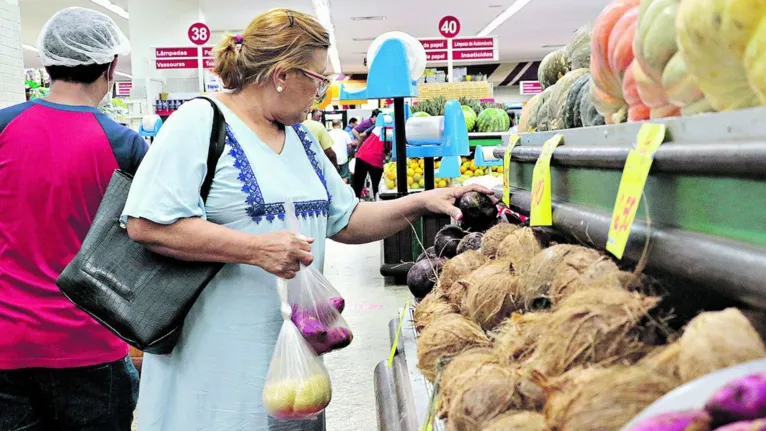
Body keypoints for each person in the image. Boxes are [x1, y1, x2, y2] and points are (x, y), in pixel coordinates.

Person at [121, 8, 490, 430]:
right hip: (215, 352)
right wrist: (255, 249)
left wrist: (423, 202)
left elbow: (346, 219)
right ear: (282, 74)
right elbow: (147, 224)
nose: (322, 93)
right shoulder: (200, 122)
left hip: (295, 353)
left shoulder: (301, 137)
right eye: (318, 80)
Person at [0, 7, 144, 430]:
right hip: (91, 347)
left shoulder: (3, 128)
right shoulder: (125, 146)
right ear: (112, 64)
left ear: (46, 62)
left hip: (6, 344)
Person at [353, 125, 387, 199]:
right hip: (376, 158)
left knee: (357, 186)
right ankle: (376, 205)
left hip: (362, 154)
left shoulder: (377, 126)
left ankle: (355, 206)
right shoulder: (395, 130)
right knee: (377, 188)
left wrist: (357, 149)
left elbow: (362, 135)